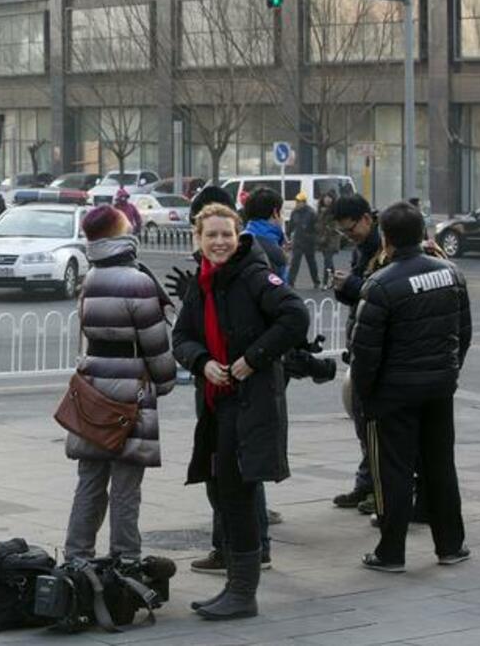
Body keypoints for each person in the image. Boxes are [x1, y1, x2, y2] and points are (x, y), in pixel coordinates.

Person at [173, 204, 308, 620]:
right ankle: (235, 584)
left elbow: (295, 315)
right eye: (211, 235)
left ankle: (243, 592)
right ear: (198, 238)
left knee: (237, 493)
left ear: (239, 236)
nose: (219, 242)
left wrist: (252, 359)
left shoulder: (252, 273)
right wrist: (202, 362)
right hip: (217, 401)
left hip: (249, 402)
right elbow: (182, 336)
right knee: (221, 489)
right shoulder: (203, 280)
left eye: (226, 235)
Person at [349, 202, 471, 572]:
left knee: (393, 471)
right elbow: (462, 335)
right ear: (423, 234)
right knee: (440, 466)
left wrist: (365, 396)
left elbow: (364, 353)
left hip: (393, 394)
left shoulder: (380, 285)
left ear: (385, 238)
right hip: (438, 387)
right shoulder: (451, 274)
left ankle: (391, 551)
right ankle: (451, 545)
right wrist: (449, 371)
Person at [63, 205, 176, 561]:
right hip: (131, 389)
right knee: (127, 487)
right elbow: (156, 346)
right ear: (118, 233)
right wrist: (166, 380)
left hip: (94, 388)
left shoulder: (90, 279)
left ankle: (76, 558)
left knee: (90, 481)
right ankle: (125, 561)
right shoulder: (138, 282)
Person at [330, 194, 382, 513]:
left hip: (377, 353)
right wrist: (344, 288)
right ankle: (366, 484)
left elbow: (380, 294)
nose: (349, 237)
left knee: (376, 426)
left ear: (366, 219)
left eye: (351, 230)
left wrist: (351, 285)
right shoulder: (363, 247)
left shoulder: (385, 247)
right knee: (362, 422)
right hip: (361, 345)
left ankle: (379, 490)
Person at [241, 188, 287, 279]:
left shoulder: (242, 239)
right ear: (275, 213)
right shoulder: (274, 252)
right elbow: (280, 290)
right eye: (281, 212)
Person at [287, 191, 320, 289]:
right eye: (296, 201)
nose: (297, 204)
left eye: (299, 202)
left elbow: (317, 227)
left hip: (309, 241)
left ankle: (316, 281)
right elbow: (291, 226)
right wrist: (287, 236)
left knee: (311, 262)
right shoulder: (294, 212)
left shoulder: (311, 213)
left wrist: (315, 238)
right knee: (295, 263)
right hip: (298, 241)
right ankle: (291, 282)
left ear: (304, 202)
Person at [316, 192, 341, 290]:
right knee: (329, 262)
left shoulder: (334, 211)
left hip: (331, 239)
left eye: (329, 198)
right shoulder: (320, 211)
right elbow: (318, 225)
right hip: (322, 240)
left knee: (327, 261)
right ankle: (335, 281)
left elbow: (334, 226)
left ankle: (325, 282)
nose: (327, 200)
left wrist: (326, 232)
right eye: (326, 198)